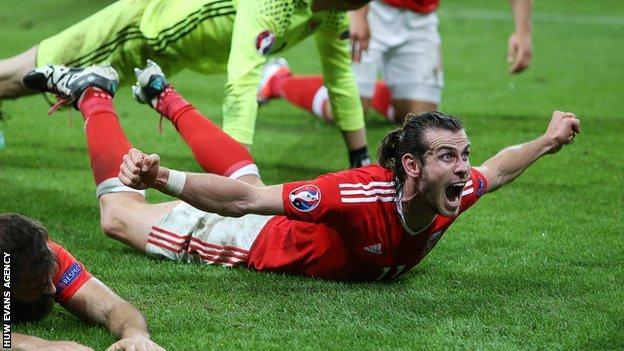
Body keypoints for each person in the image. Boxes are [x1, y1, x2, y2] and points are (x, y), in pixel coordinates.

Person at [24, 63, 579, 282]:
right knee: (118, 214)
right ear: (411, 167)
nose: (464, 172)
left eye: (463, 156)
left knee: (247, 176)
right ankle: (94, 92)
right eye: (449, 158)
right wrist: (161, 177)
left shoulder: (447, 191)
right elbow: (245, 206)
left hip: (271, 216)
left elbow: (497, 169)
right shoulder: (355, 197)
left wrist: (547, 142)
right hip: (251, 240)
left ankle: (161, 94)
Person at [0, 0, 372, 168]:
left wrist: (361, 159)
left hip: (164, 53)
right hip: (138, 29)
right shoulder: (274, 2)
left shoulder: (330, 13)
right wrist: (237, 173)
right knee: (17, 77)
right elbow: (242, 82)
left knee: (29, 82)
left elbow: (340, 79)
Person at [258, 0, 533, 124]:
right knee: (345, 112)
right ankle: (277, 80)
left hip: (421, 17)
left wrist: (522, 31)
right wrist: (358, 13)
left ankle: (382, 92)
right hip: (369, 7)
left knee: (418, 119)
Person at [0, 213, 165, 351]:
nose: (52, 290)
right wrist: (34, 345)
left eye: (51, 278)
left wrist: (135, 335)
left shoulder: (45, 255)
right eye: (37, 286)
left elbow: (111, 306)